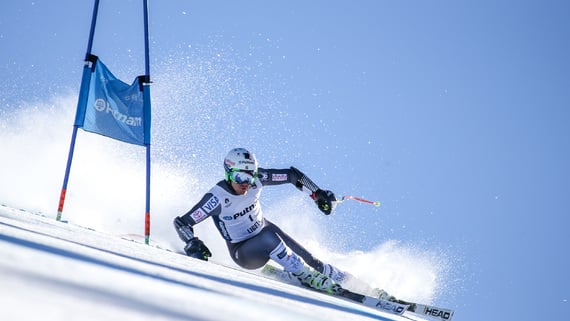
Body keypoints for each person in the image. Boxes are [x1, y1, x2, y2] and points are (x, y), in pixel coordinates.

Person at [173, 147, 347, 293]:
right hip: (243, 252)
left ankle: (344, 279)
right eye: (240, 177)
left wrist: (316, 194)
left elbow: (291, 176)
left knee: (309, 259)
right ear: (228, 174)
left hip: (265, 229)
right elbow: (182, 223)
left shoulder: (258, 179)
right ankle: (305, 275)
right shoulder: (216, 198)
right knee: (269, 239)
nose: (246, 184)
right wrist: (192, 242)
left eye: (250, 177)